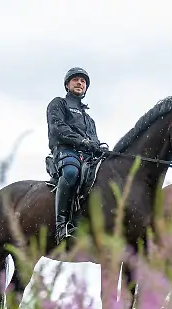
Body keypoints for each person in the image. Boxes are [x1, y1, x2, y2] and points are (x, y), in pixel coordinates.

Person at [46, 67, 105, 244]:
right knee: (71, 173)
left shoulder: (89, 120)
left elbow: (94, 140)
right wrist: (81, 141)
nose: (80, 83)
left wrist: (98, 147)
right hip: (65, 151)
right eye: (76, 80)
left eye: (83, 81)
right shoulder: (58, 104)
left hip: (88, 157)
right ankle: (61, 225)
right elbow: (57, 128)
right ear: (67, 84)